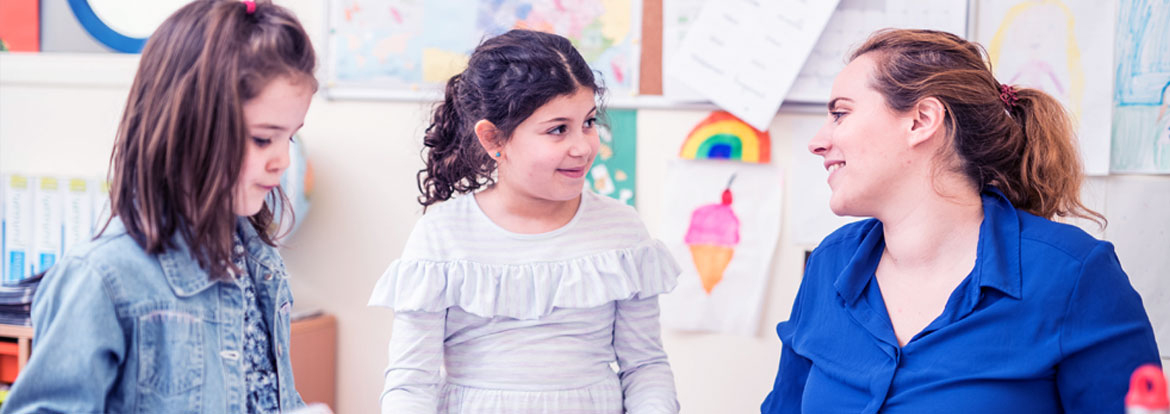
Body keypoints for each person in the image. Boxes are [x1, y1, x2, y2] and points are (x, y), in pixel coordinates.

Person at [762, 29, 1160, 413]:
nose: (818, 141)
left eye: (840, 114)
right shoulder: (830, 264)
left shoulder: (1074, 275)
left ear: (920, 121)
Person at [2, 1, 317, 412]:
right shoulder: (100, 279)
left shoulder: (262, 268)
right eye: (263, 139)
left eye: (289, 138)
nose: (283, 161)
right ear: (190, 127)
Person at [368, 29, 681, 414]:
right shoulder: (442, 237)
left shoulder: (621, 230)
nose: (583, 146)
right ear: (493, 139)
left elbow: (645, 367)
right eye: (557, 129)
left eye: (588, 121)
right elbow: (410, 384)